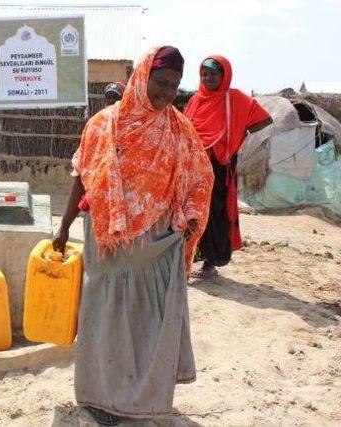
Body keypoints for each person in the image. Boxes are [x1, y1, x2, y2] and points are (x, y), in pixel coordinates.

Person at [53, 46, 214, 425]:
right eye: (161, 82)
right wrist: (63, 228)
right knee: (105, 317)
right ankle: (98, 398)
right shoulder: (103, 124)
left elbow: (201, 177)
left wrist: (189, 217)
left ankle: (141, 401)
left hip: (155, 245)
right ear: (143, 77)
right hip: (108, 244)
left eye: (174, 86)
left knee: (147, 321)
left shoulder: (178, 128)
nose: (166, 93)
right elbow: (82, 178)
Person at [185, 56, 272, 279]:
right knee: (192, 212)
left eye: (213, 74)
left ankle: (211, 262)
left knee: (215, 213)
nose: (208, 77)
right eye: (204, 73)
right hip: (194, 167)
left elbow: (264, 119)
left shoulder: (234, 99)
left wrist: (238, 134)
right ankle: (191, 258)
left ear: (224, 76)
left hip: (219, 166)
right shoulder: (196, 100)